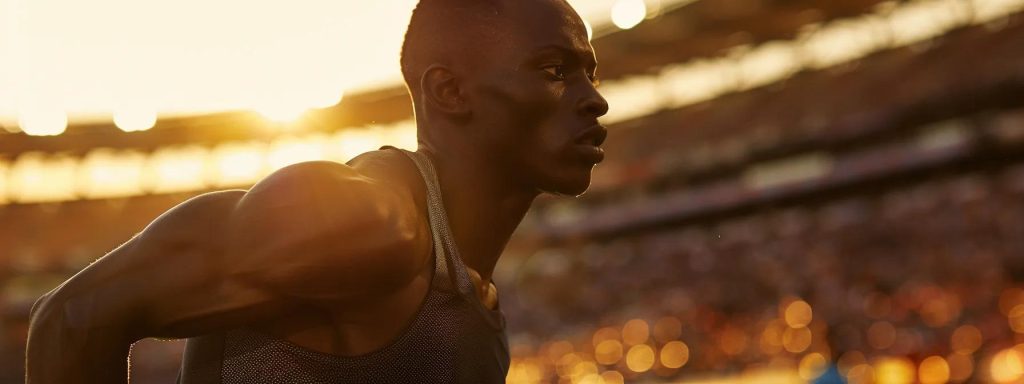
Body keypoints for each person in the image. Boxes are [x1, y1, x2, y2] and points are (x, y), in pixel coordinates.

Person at [25, 0, 608, 382]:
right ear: (450, 92)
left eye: (591, 71)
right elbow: (74, 318)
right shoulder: (368, 221)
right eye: (555, 71)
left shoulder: (468, 294)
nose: (596, 99)